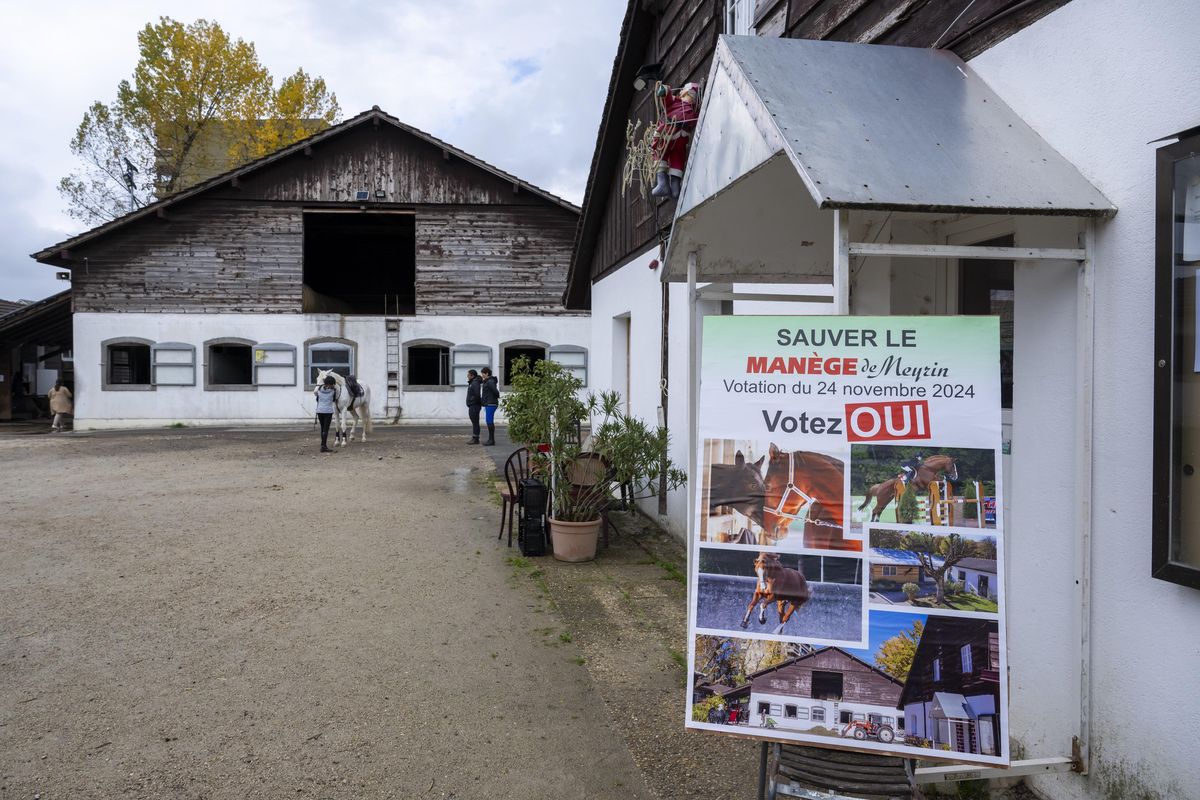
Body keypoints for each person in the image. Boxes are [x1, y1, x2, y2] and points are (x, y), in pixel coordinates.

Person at [314, 374, 338, 453]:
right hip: (328, 412)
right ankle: (323, 446)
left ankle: (323, 445)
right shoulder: (333, 391)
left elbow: (317, 399)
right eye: (332, 384)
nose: (333, 385)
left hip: (319, 411)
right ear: (330, 384)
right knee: (326, 429)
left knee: (322, 428)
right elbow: (334, 400)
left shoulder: (319, 389)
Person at [479, 367, 499, 446]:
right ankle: (491, 439)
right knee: (489, 421)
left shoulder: (490, 381)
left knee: (489, 421)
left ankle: (491, 440)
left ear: (487, 373)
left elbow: (496, 392)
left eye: (483, 374)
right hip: (490, 403)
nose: (482, 375)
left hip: (491, 404)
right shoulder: (488, 381)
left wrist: (490, 399)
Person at [465, 369, 482, 444]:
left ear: (472, 375)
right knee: (474, 421)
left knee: (475, 422)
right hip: (473, 404)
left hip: (474, 405)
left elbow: (477, 394)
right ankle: (475, 437)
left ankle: (475, 438)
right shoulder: (473, 383)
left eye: (468, 375)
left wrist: (473, 401)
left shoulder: (475, 383)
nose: (467, 376)